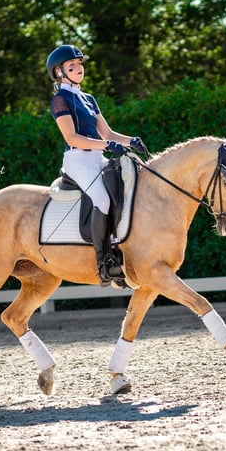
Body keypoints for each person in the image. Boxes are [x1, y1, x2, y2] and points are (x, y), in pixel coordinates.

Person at [46, 44, 147, 286]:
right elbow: (72, 138)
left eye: (80, 65)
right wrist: (106, 146)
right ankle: (104, 262)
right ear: (59, 73)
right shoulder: (60, 99)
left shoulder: (88, 98)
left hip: (96, 159)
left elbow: (107, 132)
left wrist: (130, 140)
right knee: (102, 199)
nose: (79, 69)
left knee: (130, 187)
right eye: (72, 66)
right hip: (78, 160)